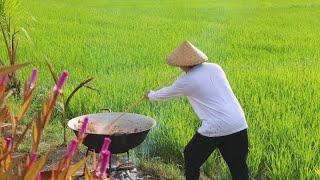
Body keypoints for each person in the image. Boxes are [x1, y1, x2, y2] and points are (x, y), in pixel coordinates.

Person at [145, 41, 249, 180]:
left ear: (184, 64)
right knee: (238, 167)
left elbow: (166, 93)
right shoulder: (215, 68)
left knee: (191, 155)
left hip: (217, 125)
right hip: (238, 123)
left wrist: (150, 95)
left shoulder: (186, 81)